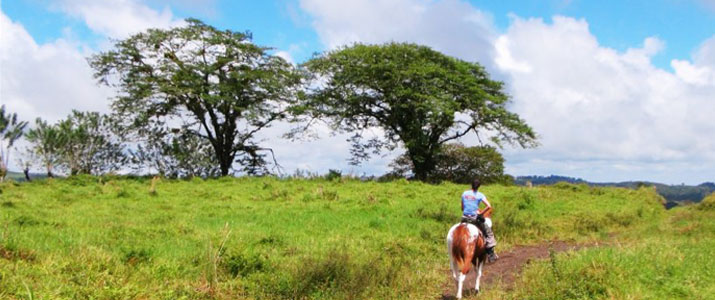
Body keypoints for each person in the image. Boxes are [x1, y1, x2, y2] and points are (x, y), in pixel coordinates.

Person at [461, 179, 498, 263]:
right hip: (474, 219)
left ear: (471, 185)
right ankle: (491, 254)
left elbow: (462, 208)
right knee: (488, 232)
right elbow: (489, 206)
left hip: (464, 218)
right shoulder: (480, 195)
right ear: (479, 187)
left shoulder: (464, 193)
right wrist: (481, 213)